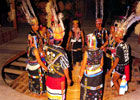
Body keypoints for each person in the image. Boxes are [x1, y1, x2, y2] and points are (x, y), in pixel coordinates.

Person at [44, 12, 71, 100]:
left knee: (50, 97)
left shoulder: (48, 48)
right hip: (58, 81)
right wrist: (68, 79)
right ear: (62, 39)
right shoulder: (62, 53)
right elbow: (65, 68)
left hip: (49, 78)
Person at [78, 33, 104, 100]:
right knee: (97, 90)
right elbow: (101, 65)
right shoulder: (101, 51)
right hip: (98, 76)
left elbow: (83, 67)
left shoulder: (87, 53)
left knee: (86, 92)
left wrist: (80, 77)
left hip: (89, 77)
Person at [26, 19, 48, 96]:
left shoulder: (37, 33)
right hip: (35, 66)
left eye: (38, 25)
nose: (38, 26)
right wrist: (45, 68)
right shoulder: (30, 34)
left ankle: (33, 89)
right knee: (42, 67)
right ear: (32, 26)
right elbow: (39, 61)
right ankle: (39, 91)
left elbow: (38, 44)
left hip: (35, 55)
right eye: (36, 25)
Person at [107, 26, 130, 94]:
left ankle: (120, 95)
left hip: (120, 67)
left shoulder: (119, 47)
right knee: (119, 78)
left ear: (117, 38)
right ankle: (122, 91)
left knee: (114, 80)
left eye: (115, 38)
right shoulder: (126, 44)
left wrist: (111, 69)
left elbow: (117, 60)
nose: (115, 39)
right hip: (125, 66)